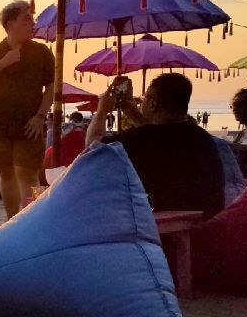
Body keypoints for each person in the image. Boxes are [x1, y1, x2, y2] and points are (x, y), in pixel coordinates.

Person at [86, 73, 224, 219]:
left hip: (166, 225)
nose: (141, 102)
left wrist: (102, 110)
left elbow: (93, 147)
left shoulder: (144, 139)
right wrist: (131, 111)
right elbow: (160, 136)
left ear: (153, 104)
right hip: (208, 220)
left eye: (144, 98)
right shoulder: (201, 137)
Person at [0, 0, 54, 218]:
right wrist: (2, 64)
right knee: (6, 174)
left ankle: (31, 223)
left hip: (30, 123)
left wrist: (40, 116)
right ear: (10, 24)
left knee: (30, 176)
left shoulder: (41, 52)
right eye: (27, 18)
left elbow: (51, 87)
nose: (32, 23)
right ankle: (11, 222)